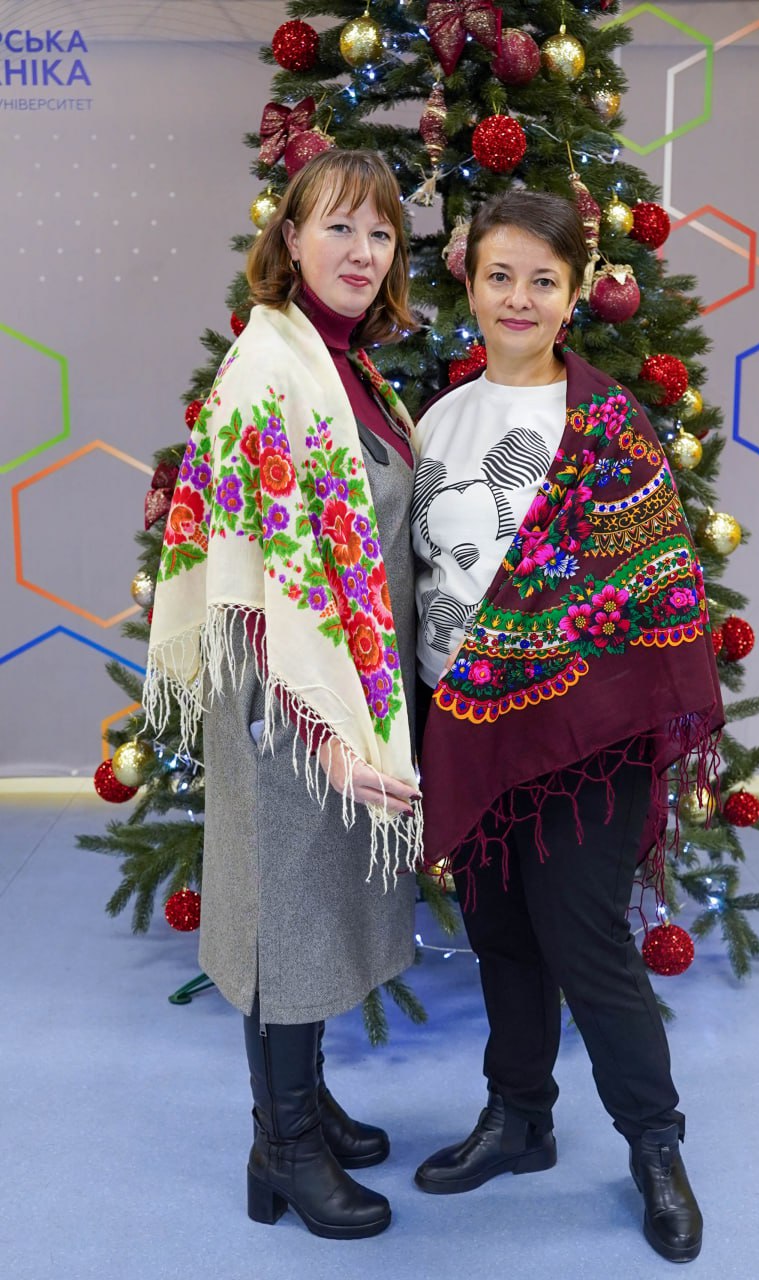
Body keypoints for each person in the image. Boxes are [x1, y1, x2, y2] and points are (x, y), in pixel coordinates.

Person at [411, 189, 724, 1264]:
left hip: (586, 736)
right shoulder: (437, 421)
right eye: (500, 275)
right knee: (499, 931)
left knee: (585, 942)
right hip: (469, 727)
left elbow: (655, 585)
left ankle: (654, 1146)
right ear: (469, 282)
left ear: (575, 292)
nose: (519, 298)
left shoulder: (607, 424)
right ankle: (520, 1118)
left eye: (542, 280)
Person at [143, 149, 423, 1240]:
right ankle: (283, 1146)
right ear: (290, 239)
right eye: (338, 228)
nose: (361, 251)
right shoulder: (269, 365)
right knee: (283, 906)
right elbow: (256, 556)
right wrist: (314, 721)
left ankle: (300, 1102)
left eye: (380, 233)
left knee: (317, 899)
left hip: (342, 679)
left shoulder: (347, 365)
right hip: (286, 688)